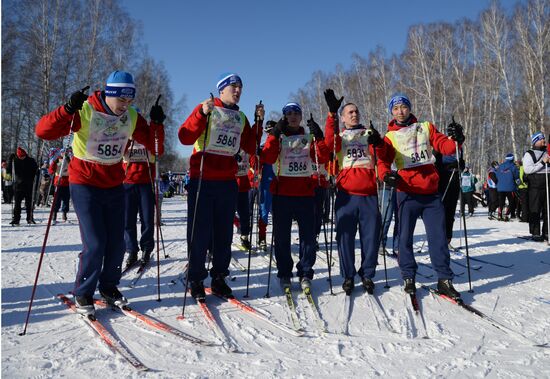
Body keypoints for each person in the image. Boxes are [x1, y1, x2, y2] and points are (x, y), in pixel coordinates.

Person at [35, 71, 165, 314]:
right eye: (121, 100)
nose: (125, 105)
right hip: (84, 182)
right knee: (95, 243)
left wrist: (157, 125)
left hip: (114, 183)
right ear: (109, 94)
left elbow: (156, 147)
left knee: (116, 243)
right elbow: (43, 131)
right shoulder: (85, 110)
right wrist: (66, 109)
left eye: (130, 100)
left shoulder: (132, 116)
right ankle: (83, 292)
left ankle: (108, 287)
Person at [178, 73, 263, 300]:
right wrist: (200, 114)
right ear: (221, 90)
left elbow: (251, 146)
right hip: (203, 179)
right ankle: (195, 277)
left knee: (223, 232)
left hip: (227, 181)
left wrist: (259, 123)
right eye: (233, 87)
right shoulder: (207, 108)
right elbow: (184, 137)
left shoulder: (240, 117)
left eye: (240, 88)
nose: (237, 91)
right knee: (199, 232)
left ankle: (219, 277)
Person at [378, 93, 462, 300]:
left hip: (430, 194)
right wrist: (385, 175)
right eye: (395, 108)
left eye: (403, 107)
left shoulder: (425, 127)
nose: (400, 111)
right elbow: (382, 160)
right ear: (391, 112)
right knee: (404, 238)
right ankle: (408, 276)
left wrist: (458, 139)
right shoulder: (389, 136)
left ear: (409, 108)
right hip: (406, 193)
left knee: (438, 238)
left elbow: (446, 146)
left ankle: (444, 279)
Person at [323, 90, 385, 295]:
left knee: (371, 238)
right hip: (346, 194)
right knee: (345, 237)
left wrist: (379, 142)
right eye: (349, 112)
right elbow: (328, 144)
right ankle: (348, 275)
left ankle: (367, 274)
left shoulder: (369, 133)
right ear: (343, 117)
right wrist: (331, 114)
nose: (353, 114)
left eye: (356, 111)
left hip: (369, 194)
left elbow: (384, 155)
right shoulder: (339, 137)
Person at [261, 102, 329, 290]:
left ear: (301, 117)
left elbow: (323, 158)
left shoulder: (308, 137)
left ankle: (305, 271)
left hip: (305, 194)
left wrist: (320, 137)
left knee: (307, 236)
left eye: (296, 113)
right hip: (282, 194)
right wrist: (274, 134)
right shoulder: (279, 137)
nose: (292, 116)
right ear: (284, 117)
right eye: (288, 113)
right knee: (282, 237)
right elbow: (266, 157)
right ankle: (284, 272)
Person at [122, 132, 157, 269]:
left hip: (146, 183)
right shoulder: (125, 137)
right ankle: (131, 250)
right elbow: (119, 152)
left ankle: (146, 249)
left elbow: (158, 149)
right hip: (127, 183)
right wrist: (129, 140)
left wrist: (145, 138)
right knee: (127, 220)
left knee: (147, 219)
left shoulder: (148, 137)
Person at [522, 131, 549, 241]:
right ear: (536, 141)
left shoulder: (547, 152)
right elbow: (528, 169)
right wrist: (542, 162)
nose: (544, 140)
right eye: (541, 139)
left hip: (547, 183)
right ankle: (535, 232)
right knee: (535, 209)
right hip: (535, 185)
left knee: (547, 210)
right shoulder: (529, 154)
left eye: (544, 138)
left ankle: (547, 232)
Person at [434, 149, 463, 248]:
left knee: (451, 213)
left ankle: (447, 238)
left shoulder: (459, 148)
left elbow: (461, 164)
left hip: (454, 182)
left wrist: (460, 165)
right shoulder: (440, 147)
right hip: (442, 182)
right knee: (442, 212)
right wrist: (448, 167)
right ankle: (438, 238)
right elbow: (435, 164)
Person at [7, 147, 38, 225]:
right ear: (18, 156)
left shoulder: (31, 161)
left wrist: (37, 172)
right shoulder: (14, 161)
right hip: (18, 185)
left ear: (25, 154)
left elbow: (36, 170)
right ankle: (16, 219)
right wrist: (10, 161)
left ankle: (30, 218)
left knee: (29, 203)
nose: (22, 158)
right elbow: (8, 171)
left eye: (23, 156)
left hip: (29, 185)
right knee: (17, 204)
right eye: (20, 157)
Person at [48, 150, 71, 222]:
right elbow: (51, 170)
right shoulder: (57, 160)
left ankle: (64, 213)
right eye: (63, 152)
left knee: (66, 199)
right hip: (58, 182)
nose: (64, 154)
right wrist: (53, 164)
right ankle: (54, 213)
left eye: (66, 152)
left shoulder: (69, 160)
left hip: (67, 182)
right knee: (57, 199)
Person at [495, 153, 519, 221]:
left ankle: (499, 214)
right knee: (511, 202)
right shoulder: (513, 166)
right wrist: (518, 183)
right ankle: (506, 214)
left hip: (500, 188)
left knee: (501, 202)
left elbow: (497, 176)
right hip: (510, 187)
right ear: (512, 159)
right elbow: (517, 177)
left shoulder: (500, 166)